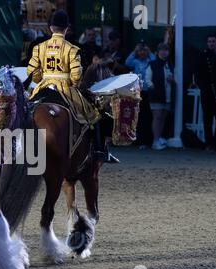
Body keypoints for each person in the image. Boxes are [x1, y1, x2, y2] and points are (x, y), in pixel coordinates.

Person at [27, 10, 118, 163]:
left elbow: (32, 72)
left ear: (50, 28)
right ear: (66, 28)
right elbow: (76, 76)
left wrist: (42, 79)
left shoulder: (39, 48)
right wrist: (73, 84)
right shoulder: (71, 49)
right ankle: (98, 150)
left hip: (43, 86)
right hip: (65, 88)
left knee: (26, 111)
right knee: (94, 114)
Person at [126, 42, 156, 148]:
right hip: (137, 93)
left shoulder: (149, 61)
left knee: (147, 117)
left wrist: (149, 51)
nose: (142, 53)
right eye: (140, 51)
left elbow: (155, 60)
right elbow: (127, 62)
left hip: (147, 92)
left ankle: (147, 141)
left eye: (144, 51)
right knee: (137, 117)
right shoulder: (135, 61)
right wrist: (135, 50)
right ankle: (138, 140)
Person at [146, 43, 174, 151]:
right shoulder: (152, 64)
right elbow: (147, 79)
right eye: (162, 50)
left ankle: (158, 139)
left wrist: (172, 80)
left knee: (163, 117)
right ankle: (155, 141)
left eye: (166, 50)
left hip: (167, 95)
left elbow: (173, 79)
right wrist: (153, 87)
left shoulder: (170, 64)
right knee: (157, 117)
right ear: (158, 52)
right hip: (156, 95)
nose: (164, 52)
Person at [197, 33, 216, 151]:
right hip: (208, 92)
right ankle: (209, 143)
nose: (211, 43)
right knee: (207, 118)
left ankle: (215, 142)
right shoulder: (203, 55)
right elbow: (198, 73)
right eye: (209, 41)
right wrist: (203, 87)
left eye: (213, 41)